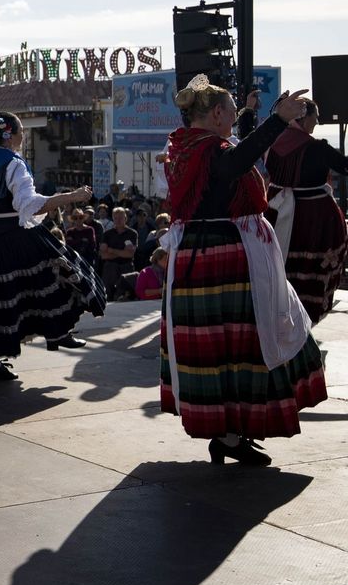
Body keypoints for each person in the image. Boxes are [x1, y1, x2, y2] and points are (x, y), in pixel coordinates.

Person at [162, 78, 326, 465]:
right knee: (237, 345)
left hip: (210, 254)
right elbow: (234, 162)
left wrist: (263, 116)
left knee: (230, 346)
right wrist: (277, 121)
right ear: (217, 113)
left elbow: (236, 151)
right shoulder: (207, 149)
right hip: (223, 257)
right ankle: (230, 433)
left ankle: (231, 431)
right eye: (232, 111)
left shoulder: (187, 145)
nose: (235, 118)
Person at [0, 112, 103, 379]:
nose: (23, 137)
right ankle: (58, 332)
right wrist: (71, 196)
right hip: (9, 236)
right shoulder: (13, 163)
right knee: (56, 273)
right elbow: (29, 204)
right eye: (21, 132)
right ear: (10, 135)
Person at [264, 97, 348, 323]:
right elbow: (345, 166)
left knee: (283, 266)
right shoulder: (317, 147)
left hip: (276, 215)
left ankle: (281, 315)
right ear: (303, 116)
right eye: (315, 116)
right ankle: (304, 319)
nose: (318, 122)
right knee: (312, 269)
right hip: (314, 221)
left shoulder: (271, 143)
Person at [98, 207, 138, 301]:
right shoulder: (107, 234)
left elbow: (130, 255)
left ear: (125, 218)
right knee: (108, 296)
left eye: (120, 218)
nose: (118, 220)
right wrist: (122, 252)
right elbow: (103, 255)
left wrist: (111, 250)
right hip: (110, 268)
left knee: (127, 296)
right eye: (116, 218)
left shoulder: (132, 233)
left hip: (126, 267)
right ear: (113, 219)